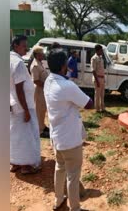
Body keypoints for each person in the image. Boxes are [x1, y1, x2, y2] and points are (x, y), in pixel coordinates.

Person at [44, 49, 93, 211]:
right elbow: (89, 103)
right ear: (64, 65)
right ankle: (75, 208)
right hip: (70, 139)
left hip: (57, 137)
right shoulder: (67, 86)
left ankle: (58, 200)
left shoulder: (48, 81)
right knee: (73, 175)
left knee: (60, 168)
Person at [10, 35, 41, 174]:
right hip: (23, 106)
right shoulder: (18, 63)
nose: (26, 48)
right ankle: (26, 166)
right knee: (26, 135)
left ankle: (15, 162)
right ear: (15, 45)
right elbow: (19, 89)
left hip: (12, 104)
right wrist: (26, 110)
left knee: (14, 134)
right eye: (24, 45)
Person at [30, 46, 50, 138]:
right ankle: (39, 130)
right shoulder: (35, 65)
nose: (43, 55)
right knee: (39, 110)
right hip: (38, 90)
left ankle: (42, 125)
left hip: (42, 90)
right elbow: (36, 80)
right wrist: (46, 86)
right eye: (42, 53)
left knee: (42, 109)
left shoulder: (40, 63)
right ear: (37, 55)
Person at [91, 44, 106, 112]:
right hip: (98, 78)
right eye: (101, 50)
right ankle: (97, 109)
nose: (102, 51)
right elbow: (93, 70)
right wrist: (97, 81)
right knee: (97, 94)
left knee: (102, 94)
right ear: (97, 50)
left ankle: (102, 108)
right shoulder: (94, 58)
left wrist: (103, 79)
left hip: (102, 78)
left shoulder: (101, 57)